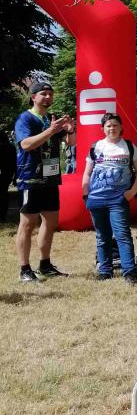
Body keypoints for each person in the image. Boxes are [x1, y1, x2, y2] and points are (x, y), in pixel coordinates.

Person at [15, 81, 75, 282]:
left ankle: (45, 264)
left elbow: (71, 143)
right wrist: (51, 130)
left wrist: (70, 130)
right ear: (33, 97)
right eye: (44, 94)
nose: (48, 97)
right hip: (30, 178)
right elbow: (26, 145)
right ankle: (24, 269)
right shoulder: (25, 118)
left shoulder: (52, 118)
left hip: (50, 177)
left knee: (50, 222)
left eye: (51, 93)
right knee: (28, 224)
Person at [82, 113, 137, 284]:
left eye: (115, 125)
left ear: (121, 127)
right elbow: (87, 173)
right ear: (102, 128)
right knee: (102, 236)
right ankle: (105, 271)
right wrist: (85, 193)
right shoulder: (96, 147)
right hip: (96, 199)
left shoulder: (128, 146)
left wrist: (132, 192)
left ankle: (129, 272)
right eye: (108, 126)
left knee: (122, 235)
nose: (112, 128)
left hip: (118, 200)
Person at [0, 127, 15, 221]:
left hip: (3, 172)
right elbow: (14, 162)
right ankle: (3, 215)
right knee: (4, 193)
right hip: (7, 173)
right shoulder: (11, 147)